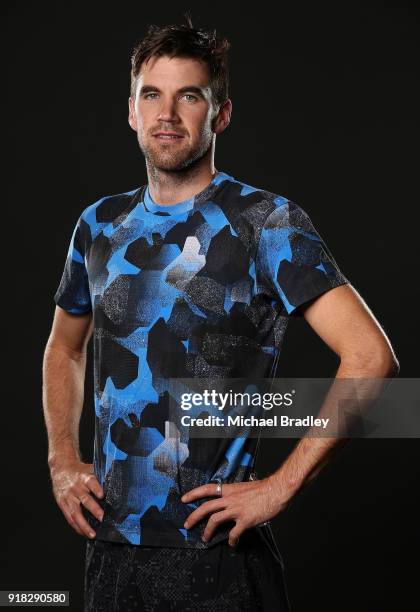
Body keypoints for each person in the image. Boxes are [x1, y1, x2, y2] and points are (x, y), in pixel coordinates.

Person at [42, 14, 399, 611]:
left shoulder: (266, 223)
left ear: (221, 113)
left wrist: (278, 488)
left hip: (219, 560)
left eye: (190, 97)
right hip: (110, 554)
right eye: (151, 95)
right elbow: (64, 347)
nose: (167, 114)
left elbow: (373, 358)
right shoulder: (98, 226)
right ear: (131, 111)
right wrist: (61, 458)